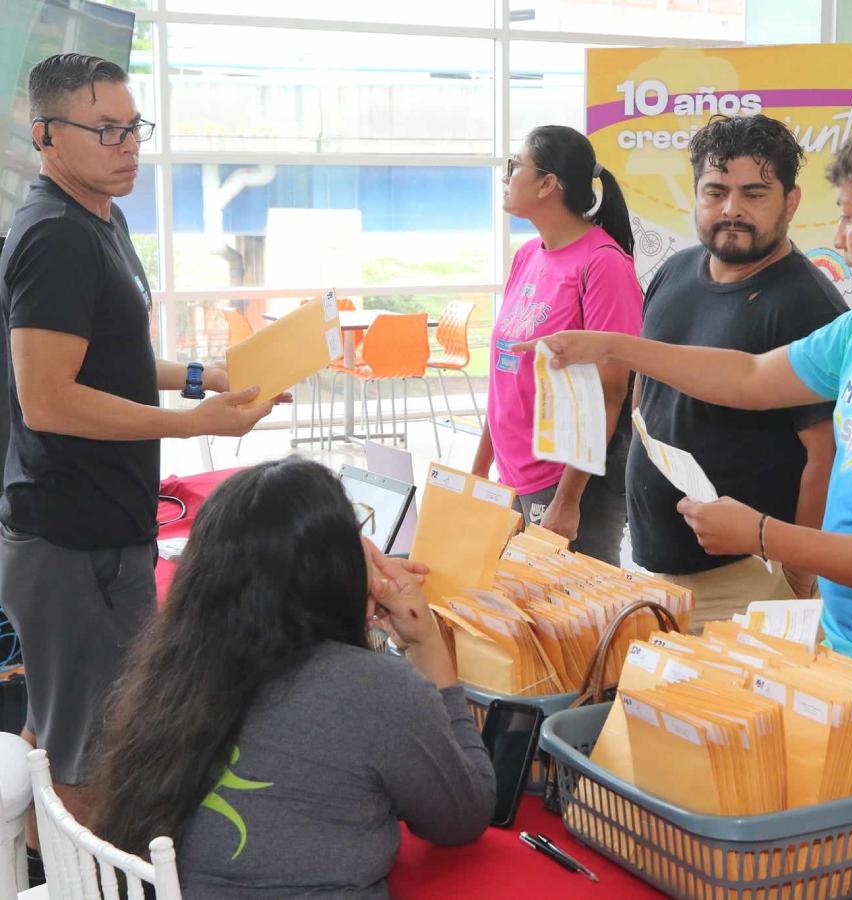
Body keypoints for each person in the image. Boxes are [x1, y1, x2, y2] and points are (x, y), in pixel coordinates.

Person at [520, 107, 852, 836]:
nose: (839, 236)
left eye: (850, 215)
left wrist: (763, 536)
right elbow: (750, 375)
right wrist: (614, 346)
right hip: (851, 666)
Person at [0, 54, 281, 817]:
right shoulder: (55, 237)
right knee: (89, 748)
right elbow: (48, 400)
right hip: (71, 537)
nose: (127, 146)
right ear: (46, 136)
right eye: (106, 130)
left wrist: (202, 377)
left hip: (102, 525)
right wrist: (193, 424)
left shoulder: (102, 218)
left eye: (133, 128)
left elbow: (108, 359)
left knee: (62, 727)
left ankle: (38, 860)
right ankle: (76, 870)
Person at [89, 459, 495, 897]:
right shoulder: (377, 691)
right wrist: (427, 642)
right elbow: (465, 813)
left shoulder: (172, 673)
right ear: (337, 571)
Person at [628, 114, 843, 625]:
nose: (732, 210)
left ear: (790, 201)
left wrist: (797, 577)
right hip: (651, 569)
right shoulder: (674, 271)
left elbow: (827, 454)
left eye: (754, 194)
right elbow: (647, 388)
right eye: (716, 191)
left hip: (746, 583)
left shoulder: (808, 304)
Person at [471, 125, 642, 565]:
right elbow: (505, 372)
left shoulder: (602, 264)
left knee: (573, 604)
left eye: (515, 166)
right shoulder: (528, 255)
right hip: (513, 473)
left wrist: (568, 499)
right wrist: (479, 468)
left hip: (566, 482)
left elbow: (610, 392)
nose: (505, 176)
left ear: (548, 184)